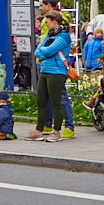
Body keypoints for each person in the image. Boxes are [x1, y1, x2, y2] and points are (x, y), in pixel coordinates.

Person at [26, 11, 71, 142]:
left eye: (48, 22)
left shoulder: (63, 37)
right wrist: (45, 53)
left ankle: (56, 131)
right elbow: (37, 51)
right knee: (40, 101)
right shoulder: (50, 36)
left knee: (56, 102)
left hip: (57, 72)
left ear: (54, 21)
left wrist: (44, 52)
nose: (46, 25)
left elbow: (47, 50)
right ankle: (38, 130)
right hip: (45, 71)